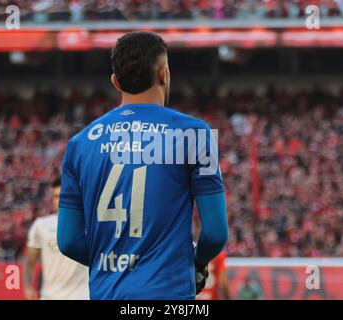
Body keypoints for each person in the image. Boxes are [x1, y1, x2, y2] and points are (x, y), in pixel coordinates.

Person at [57, 31, 228, 300]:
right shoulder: (194, 134)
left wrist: (114, 265)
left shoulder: (80, 143)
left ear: (115, 82)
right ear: (164, 74)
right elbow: (216, 233)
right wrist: (194, 264)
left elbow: (68, 241)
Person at [24, 178, 89, 300]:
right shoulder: (41, 225)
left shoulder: (89, 224)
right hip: (50, 296)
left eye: (63, 196)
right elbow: (30, 262)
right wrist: (28, 287)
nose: (59, 201)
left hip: (83, 295)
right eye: (55, 196)